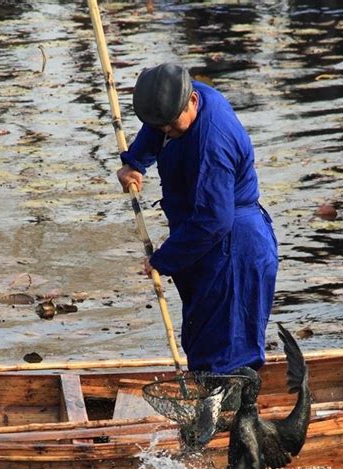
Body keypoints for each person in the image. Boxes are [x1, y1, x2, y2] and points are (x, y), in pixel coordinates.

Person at [117, 63, 278, 376]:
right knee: (202, 335)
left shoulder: (213, 144)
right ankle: (211, 401)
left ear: (192, 101)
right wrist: (135, 162)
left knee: (225, 351)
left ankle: (228, 413)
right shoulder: (179, 101)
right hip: (199, 238)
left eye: (172, 126)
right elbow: (157, 125)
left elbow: (214, 219)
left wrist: (165, 259)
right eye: (162, 127)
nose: (168, 133)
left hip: (233, 244)